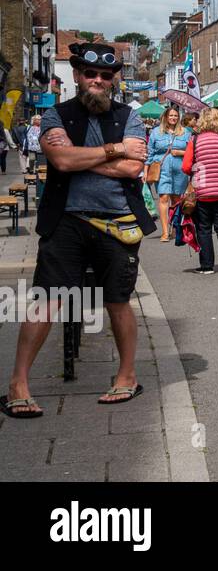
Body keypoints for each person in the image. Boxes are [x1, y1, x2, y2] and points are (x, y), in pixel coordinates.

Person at [2, 42, 155, 419]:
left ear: (114, 78)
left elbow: (132, 169)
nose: (98, 81)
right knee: (49, 299)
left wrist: (79, 159)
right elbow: (60, 159)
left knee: (118, 299)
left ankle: (127, 376)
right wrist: (115, 150)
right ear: (78, 76)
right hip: (66, 220)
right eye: (91, 74)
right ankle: (18, 384)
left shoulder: (129, 115)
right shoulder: (56, 114)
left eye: (106, 75)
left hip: (118, 221)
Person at [183, 108, 218, 277]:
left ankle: (207, 265)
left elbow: (185, 167)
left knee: (204, 228)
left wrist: (198, 169)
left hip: (203, 191)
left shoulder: (195, 140)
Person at [147, 107, 190, 242]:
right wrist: (145, 171)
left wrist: (180, 153)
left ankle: (176, 229)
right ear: (165, 117)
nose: (173, 118)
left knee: (177, 200)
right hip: (162, 169)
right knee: (164, 198)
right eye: (171, 115)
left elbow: (191, 152)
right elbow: (149, 153)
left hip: (180, 170)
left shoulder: (185, 132)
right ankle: (165, 231)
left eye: (176, 116)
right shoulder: (155, 132)